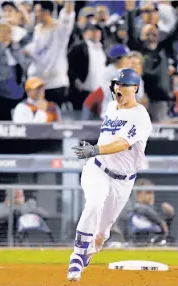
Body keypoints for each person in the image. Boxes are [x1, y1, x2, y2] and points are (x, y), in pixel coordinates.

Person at [67, 68, 152, 281]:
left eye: (123, 85)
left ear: (135, 88)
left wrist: (95, 148)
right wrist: (95, 152)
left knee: (102, 233)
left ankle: (89, 250)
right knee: (94, 203)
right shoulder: (111, 106)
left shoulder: (141, 116)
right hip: (97, 169)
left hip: (123, 181)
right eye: (116, 84)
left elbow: (122, 144)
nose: (118, 88)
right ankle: (77, 256)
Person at [24, 1, 75, 107]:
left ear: (46, 12)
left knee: (52, 119)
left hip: (54, 84)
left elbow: (68, 14)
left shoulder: (60, 29)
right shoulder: (37, 30)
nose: (35, 14)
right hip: (35, 83)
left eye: (38, 11)